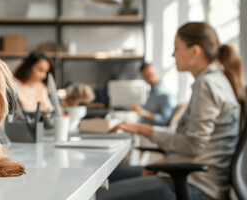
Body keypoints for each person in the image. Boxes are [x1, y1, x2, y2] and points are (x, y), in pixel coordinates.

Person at [97, 22, 246, 200]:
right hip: (190, 177)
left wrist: (144, 129)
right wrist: (161, 163)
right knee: (109, 178)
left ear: (195, 51)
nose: (173, 54)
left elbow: (194, 145)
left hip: (195, 186)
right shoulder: (216, 81)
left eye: (176, 48)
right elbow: (195, 143)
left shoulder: (207, 84)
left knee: (98, 195)